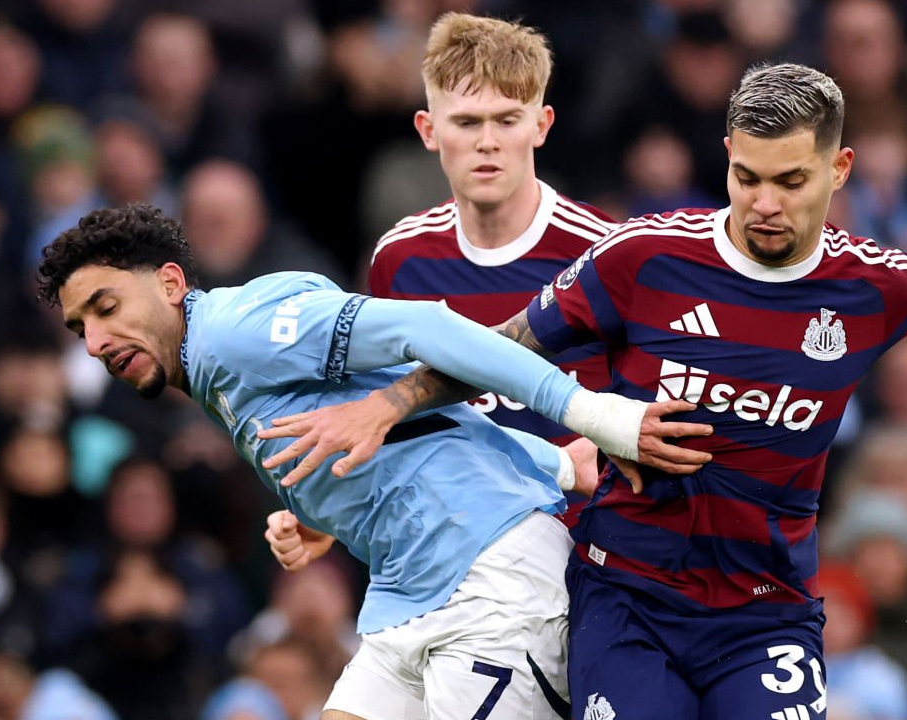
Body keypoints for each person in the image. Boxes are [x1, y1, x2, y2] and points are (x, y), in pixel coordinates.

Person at [262, 63, 907, 719]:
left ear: (838, 170)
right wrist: (385, 411)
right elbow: (497, 354)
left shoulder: (875, 282)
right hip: (626, 597)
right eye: (745, 176)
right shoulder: (642, 258)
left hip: (764, 610)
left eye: (790, 181)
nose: (762, 202)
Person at [35, 203, 711, 720]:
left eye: (106, 307)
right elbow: (392, 417)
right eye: (79, 328)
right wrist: (324, 511)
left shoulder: (236, 334)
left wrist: (593, 414)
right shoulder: (209, 368)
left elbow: (429, 331)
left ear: (171, 283)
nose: (95, 341)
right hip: (407, 595)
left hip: (490, 585)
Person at [369, 12, 617, 448]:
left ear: (541, 125)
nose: (488, 141)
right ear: (429, 131)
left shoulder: (605, 253)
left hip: (580, 515)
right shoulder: (400, 258)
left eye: (507, 120)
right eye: (466, 122)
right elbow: (391, 427)